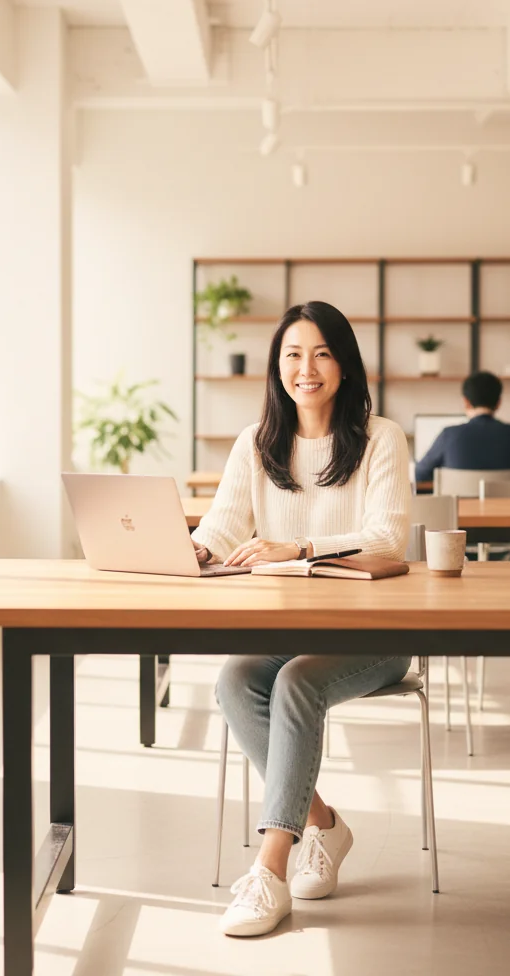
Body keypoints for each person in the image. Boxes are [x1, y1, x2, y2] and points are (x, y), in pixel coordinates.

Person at [191, 300, 411, 938]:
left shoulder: (382, 439)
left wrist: (301, 548)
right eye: (292, 354)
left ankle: (269, 869)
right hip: (290, 635)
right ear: (277, 366)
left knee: (295, 683)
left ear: (344, 365)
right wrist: (197, 548)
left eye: (320, 353)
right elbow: (222, 526)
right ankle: (323, 824)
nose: (305, 368)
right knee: (236, 681)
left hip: (377, 636)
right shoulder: (257, 444)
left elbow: (388, 539)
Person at [412, 370, 510, 485]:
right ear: (499, 403)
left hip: (460, 517)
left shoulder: (449, 435)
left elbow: (420, 474)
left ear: (466, 402)